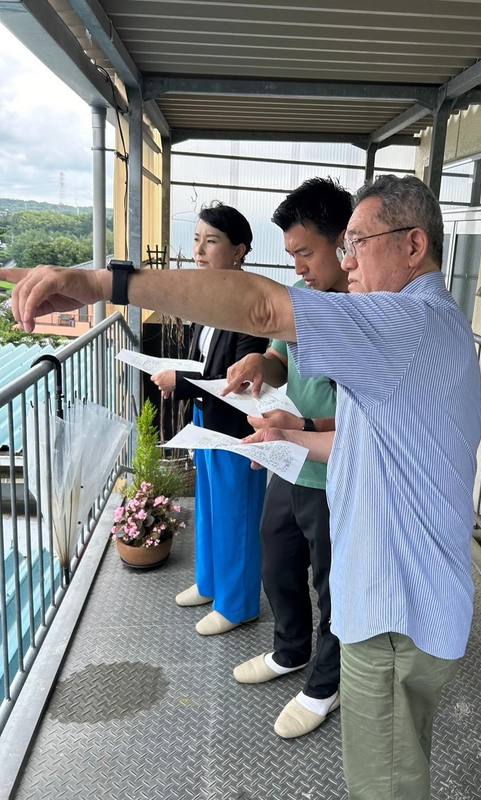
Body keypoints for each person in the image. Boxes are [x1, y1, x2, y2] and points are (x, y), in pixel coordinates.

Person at [2, 174, 481, 800]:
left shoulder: (405, 321)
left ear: (414, 245)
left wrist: (101, 284)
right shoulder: (427, 324)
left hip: (394, 616)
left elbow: (261, 308)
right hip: (410, 607)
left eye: (358, 244)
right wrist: (294, 435)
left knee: (384, 784)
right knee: (396, 761)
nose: (347, 262)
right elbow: (371, 443)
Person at [224, 178, 352, 739]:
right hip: (290, 457)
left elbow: (372, 420)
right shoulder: (301, 297)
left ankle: (328, 682)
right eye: (291, 254)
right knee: (276, 558)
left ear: (344, 242)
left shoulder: (366, 312)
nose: (298, 266)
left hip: (336, 470)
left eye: (306, 253)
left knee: (332, 583)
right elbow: (280, 359)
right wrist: (260, 363)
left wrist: (300, 428)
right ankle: (290, 649)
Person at [151, 203, 268, 636]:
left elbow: (238, 380)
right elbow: (204, 362)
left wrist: (179, 382)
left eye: (211, 241)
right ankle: (210, 582)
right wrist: (178, 375)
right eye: (197, 240)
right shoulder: (210, 299)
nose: (198, 251)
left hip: (237, 429)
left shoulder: (251, 305)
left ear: (239, 250)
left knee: (236, 515)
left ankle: (238, 605)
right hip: (206, 417)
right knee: (210, 507)